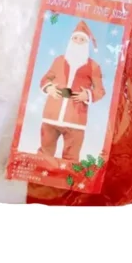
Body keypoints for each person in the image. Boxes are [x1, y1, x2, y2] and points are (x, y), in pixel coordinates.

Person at [38, 21, 105, 161]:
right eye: (75, 38)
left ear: (86, 43)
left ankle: (65, 175)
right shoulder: (59, 61)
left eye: (82, 40)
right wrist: (49, 88)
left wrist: (87, 95)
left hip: (75, 119)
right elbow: (45, 79)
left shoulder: (93, 66)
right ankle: (40, 172)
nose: (78, 42)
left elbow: (100, 90)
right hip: (51, 115)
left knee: (71, 158)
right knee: (44, 153)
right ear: (70, 40)